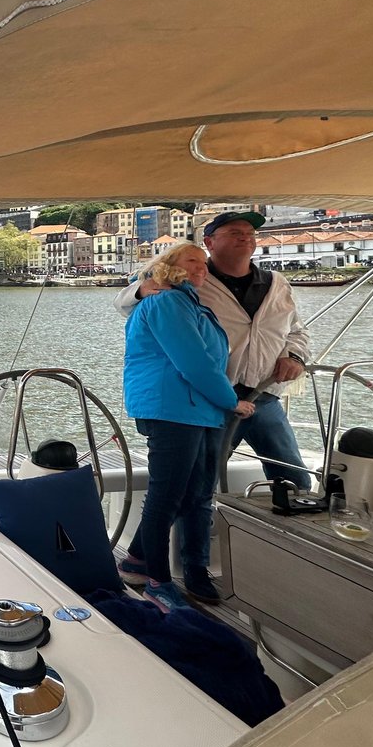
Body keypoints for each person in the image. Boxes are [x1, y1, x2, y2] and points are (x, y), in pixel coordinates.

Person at [116, 211, 313, 489]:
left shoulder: (277, 284)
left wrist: (294, 356)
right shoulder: (190, 280)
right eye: (234, 232)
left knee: (294, 476)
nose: (245, 237)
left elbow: (297, 330)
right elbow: (125, 304)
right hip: (215, 397)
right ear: (209, 242)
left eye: (249, 233)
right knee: (200, 484)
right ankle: (199, 532)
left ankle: (296, 527)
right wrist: (141, 289)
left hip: (264, 396)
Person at [118, 243, 256, 613]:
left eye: (203, 262)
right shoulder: (167, 303)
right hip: (172, 409)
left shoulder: (191, 304)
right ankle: (158, 583)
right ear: (169, 267)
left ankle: (135, 561)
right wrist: (231, 400)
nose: (201, 267)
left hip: (197, 410)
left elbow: (208, 359)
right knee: (167, 496)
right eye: (191, 260)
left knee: (193, 493)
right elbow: (193, 362)